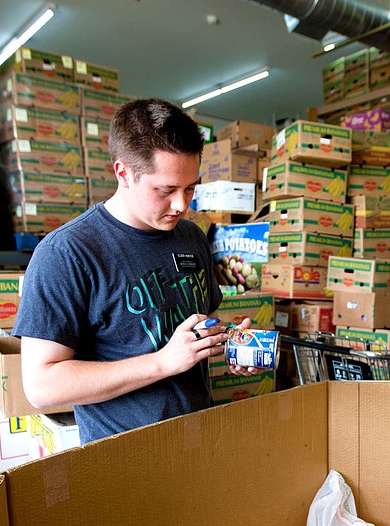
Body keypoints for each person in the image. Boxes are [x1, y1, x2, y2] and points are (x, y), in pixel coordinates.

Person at [15, 98, 254, 443]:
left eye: (190, 188)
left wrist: (231, 343)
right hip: (125, 459)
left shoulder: (190, 237)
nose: (181, 205)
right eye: (166, 190)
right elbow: (42, 386)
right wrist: (163, 362)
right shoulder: (66, 254)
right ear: (123, 172)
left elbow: (204, 323)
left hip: (199, 441)